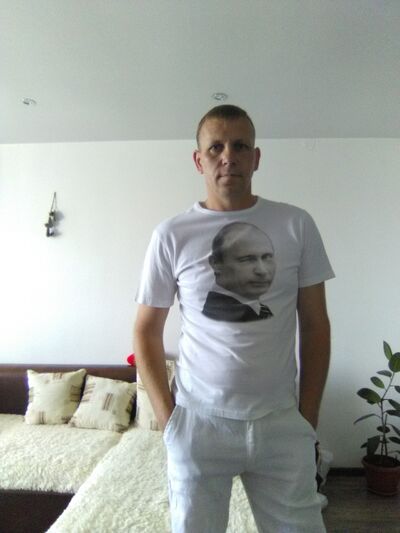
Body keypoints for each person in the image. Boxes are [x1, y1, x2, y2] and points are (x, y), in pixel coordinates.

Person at [134, 104, 334, 533]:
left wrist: (307, 419)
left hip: (281, 422)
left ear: (256, 158)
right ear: (199, 160)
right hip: (198, 423)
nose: (229, 156)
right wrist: (170, 422)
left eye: (241, 146)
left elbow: (316, 324)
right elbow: (145, 330)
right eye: (216, 147)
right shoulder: (171, 234)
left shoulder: (296, 224)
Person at [203, 221, 275, 321]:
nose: (262, 271)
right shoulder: (220, 313)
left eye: (267, 257)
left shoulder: (260, 310)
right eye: (247, 259)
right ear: (216, 263)